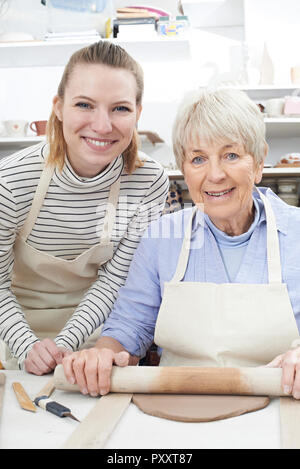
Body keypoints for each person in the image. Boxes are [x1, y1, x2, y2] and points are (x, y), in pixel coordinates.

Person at [62, 87, 300, 399]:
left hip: (281, 410)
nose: (214, 174)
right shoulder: (160, 238)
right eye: (198, 159)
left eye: (230, 155)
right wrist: (103, 355)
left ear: (257, 163)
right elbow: (128, 330)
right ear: (183, 169)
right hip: (176, 411)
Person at [0, 41, 169, 373]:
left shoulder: (148, 182)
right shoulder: (11, 181)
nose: (102, 125)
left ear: (138, 113)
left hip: (97, 343)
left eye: (120, 108)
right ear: (59, 107)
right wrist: (28, 348)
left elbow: (113, 282)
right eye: (84, 105)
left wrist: (65, 349)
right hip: (15, 336)